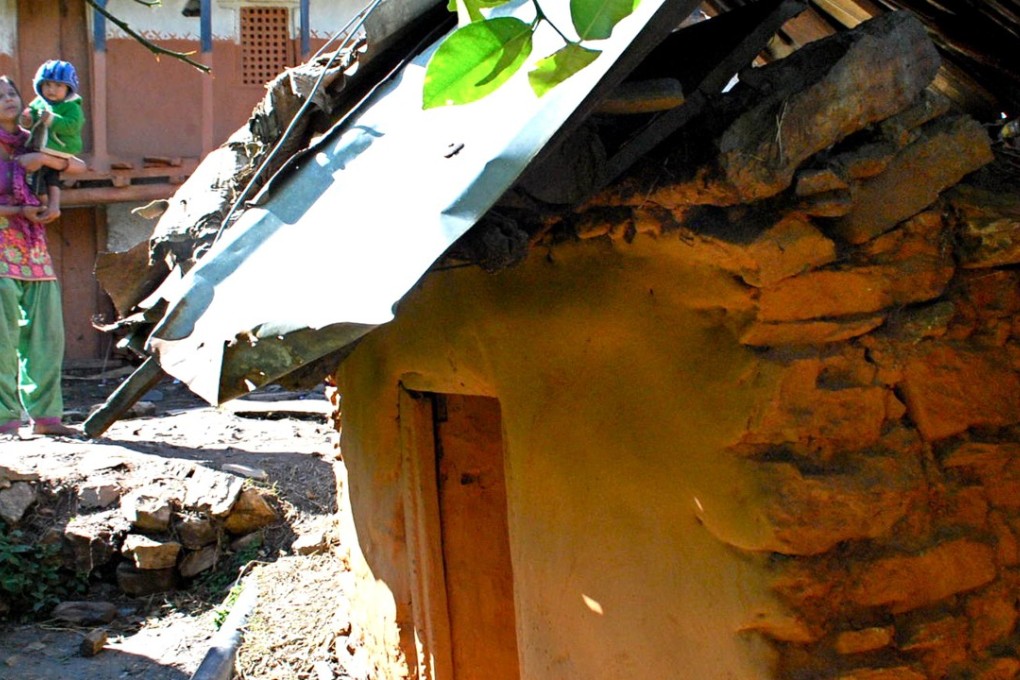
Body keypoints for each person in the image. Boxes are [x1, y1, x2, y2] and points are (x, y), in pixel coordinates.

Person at [0, 75, 85, 438]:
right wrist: (19, 210)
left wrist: (43, 164)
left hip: (33, 247)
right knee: (2, 337)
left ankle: (47, 418)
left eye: (10, 92)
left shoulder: (36, 136)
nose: (7, 98)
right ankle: (5, 419)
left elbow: (76, 165)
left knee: (48, 334)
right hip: (3, 245)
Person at [23, 60, 85, 221]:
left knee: (40, 178)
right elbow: (29, 122)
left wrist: (51, 119)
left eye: (58, 86)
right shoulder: (39, 103)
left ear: (68, 88)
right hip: (43, 149)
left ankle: (44, 204)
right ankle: (49, 205)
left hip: (59, 148)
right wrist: (27, 119)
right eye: (47, 85)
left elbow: (71, 126)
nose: (52, 90)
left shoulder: (72, 107)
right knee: (49, 178)